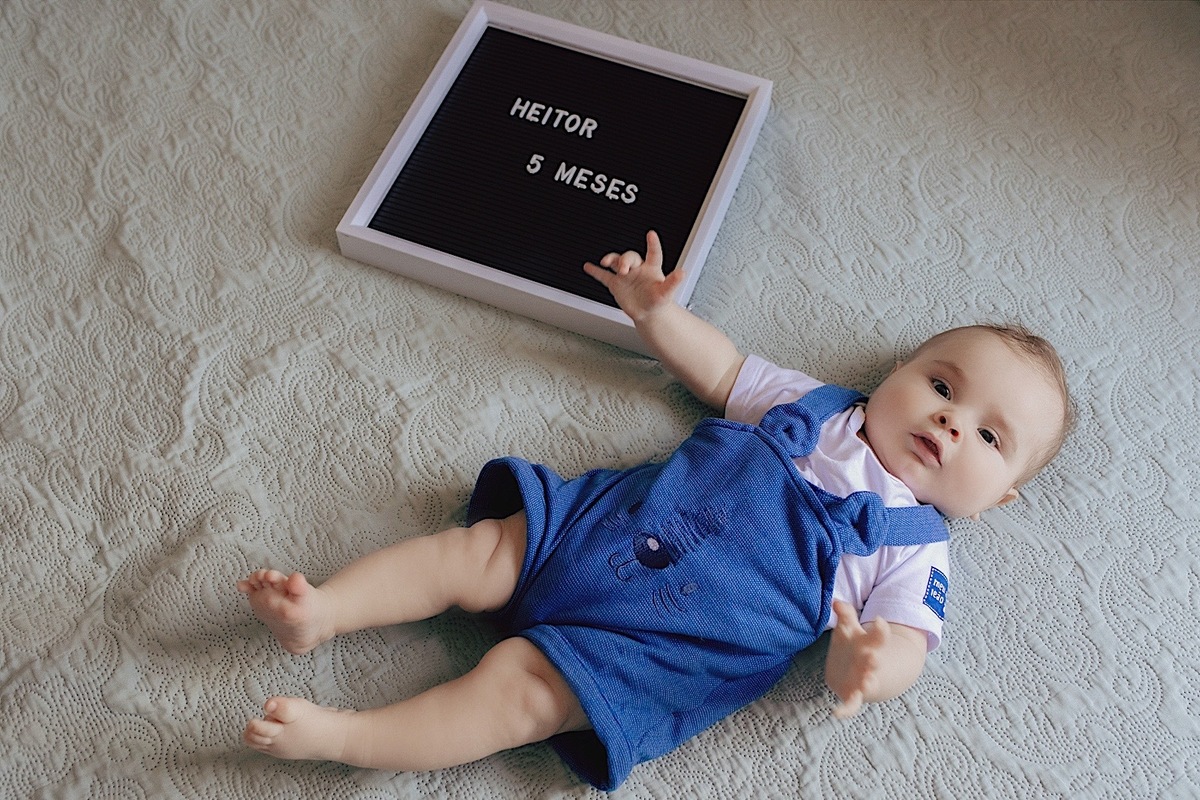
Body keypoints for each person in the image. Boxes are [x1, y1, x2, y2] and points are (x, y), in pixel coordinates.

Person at [237, 231, 1073, 790]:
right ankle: (325, 608)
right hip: (604, 529)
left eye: (991, 437)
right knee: (476, 550)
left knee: (515, 698)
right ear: (899, 371)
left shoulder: (916, 549)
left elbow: (908, 651)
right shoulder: (816, 406)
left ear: (999, 500)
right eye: (941, 384)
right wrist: (659, 316)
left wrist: (868, 667)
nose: (952, 422)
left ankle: (348, 739)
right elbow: (722, 372)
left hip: (656, 647)